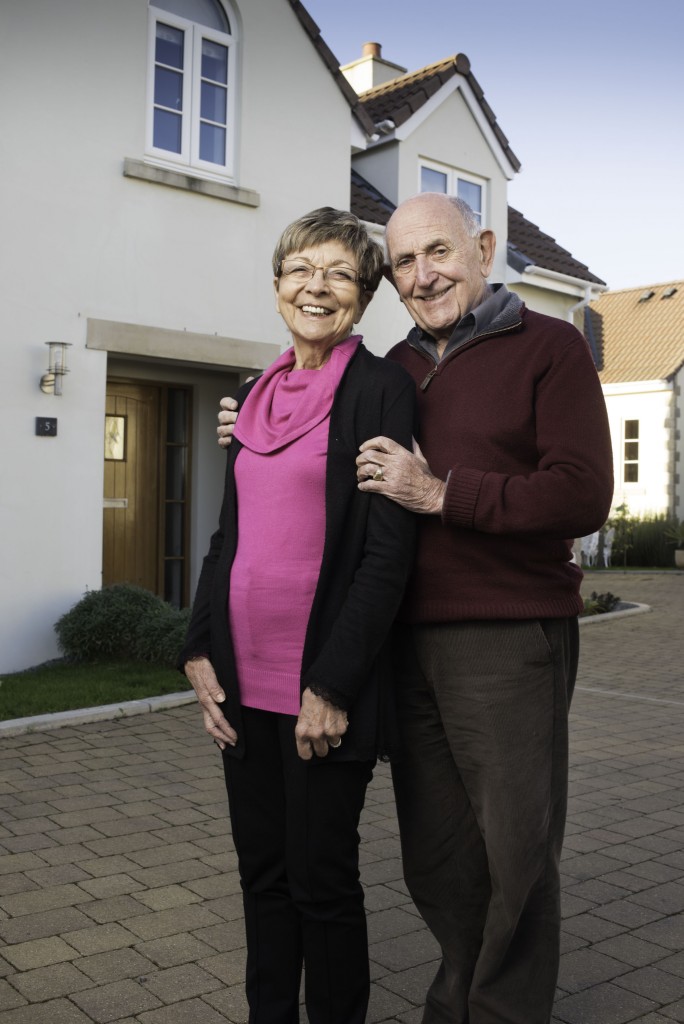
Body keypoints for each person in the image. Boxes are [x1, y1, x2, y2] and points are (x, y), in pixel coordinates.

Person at [218, 192, 614, 1024]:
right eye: (404, 262)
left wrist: (443, 493)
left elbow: (583, 494)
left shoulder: (549, 346)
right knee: (437, 859)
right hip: (401, 645)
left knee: (516, 852)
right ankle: (455, 1001)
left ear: (484, 246)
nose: (423, 274)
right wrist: (250, 423)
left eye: (438, 252)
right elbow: (313, 461)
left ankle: (500, 1010)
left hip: (506, 636)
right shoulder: (394, 370)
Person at [179, 207, 416, 1024]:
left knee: (321, 882)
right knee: (263, 878)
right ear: (278, 284)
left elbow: (387, 556)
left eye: (341, 274)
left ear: (364, 297)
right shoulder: (251, 394)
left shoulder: (382, 388)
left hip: (320, 685)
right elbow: (226, 536)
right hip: (242, 680)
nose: (318, 287)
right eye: (302, 270)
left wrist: (335, 684)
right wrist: (198, 649)